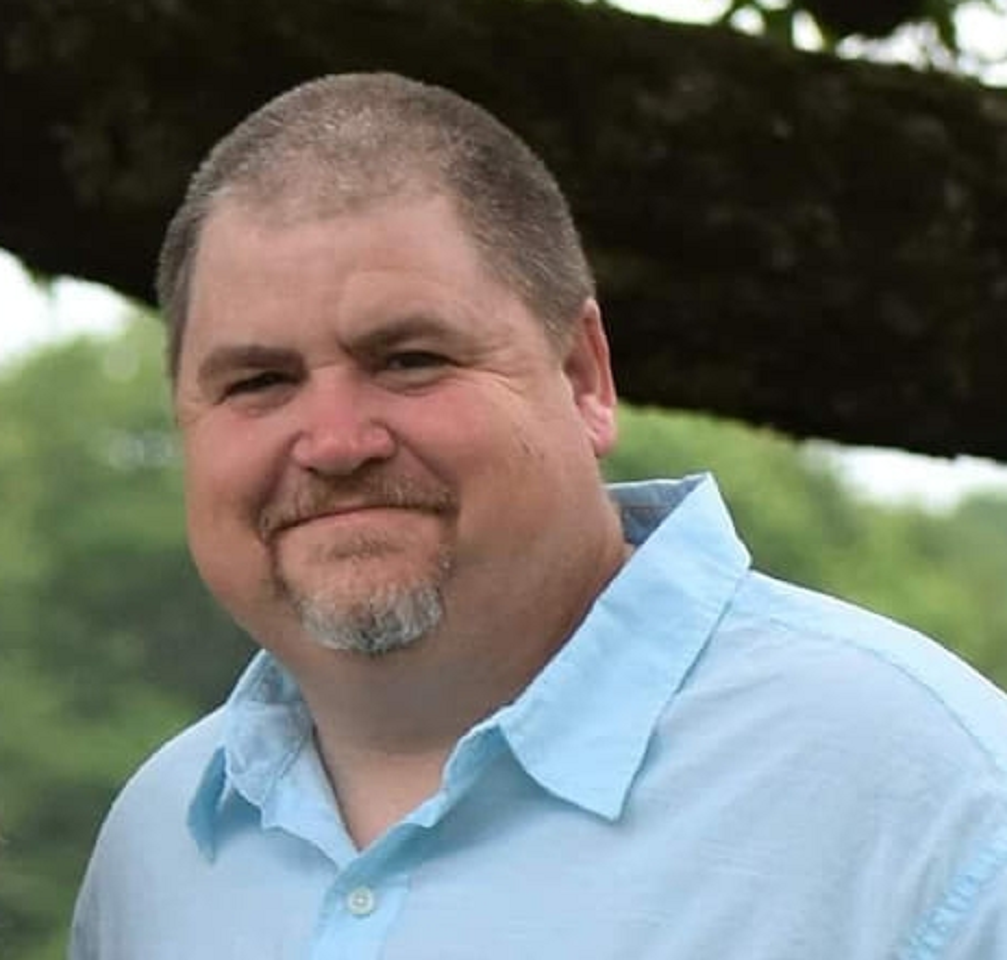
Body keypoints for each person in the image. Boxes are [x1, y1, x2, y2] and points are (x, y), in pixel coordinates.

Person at [70, 73, 1007, 959]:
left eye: (409, 360)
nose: (336, 442)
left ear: (582, 377)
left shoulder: (932, 801)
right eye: (259, 381)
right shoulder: (156, 856)